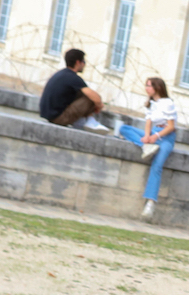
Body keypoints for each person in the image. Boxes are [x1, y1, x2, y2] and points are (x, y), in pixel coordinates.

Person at [116, 76, 178, 217]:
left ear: (157, 88)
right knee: (124, 129)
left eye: (149, 85)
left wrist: (155, 137)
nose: (146, 88)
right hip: (153, 135)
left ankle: (150, 203)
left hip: (165, 137)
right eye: (146, 85)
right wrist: (146, 137)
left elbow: (171, 127)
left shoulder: (167, 103)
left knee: (157, 166)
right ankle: (145, 147)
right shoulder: (150, 103)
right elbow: (149, 122)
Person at [38, 47, 105, 129]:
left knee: (82, 93)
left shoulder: (61, 74)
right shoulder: (73, 77)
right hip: (58, 118)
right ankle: (88, 122)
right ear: (78, 62)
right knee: (90, 98)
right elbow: (96, 98)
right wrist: (99, 105)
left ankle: (85, 120)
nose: (84, 64)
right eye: (83, 62)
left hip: (50, 116)